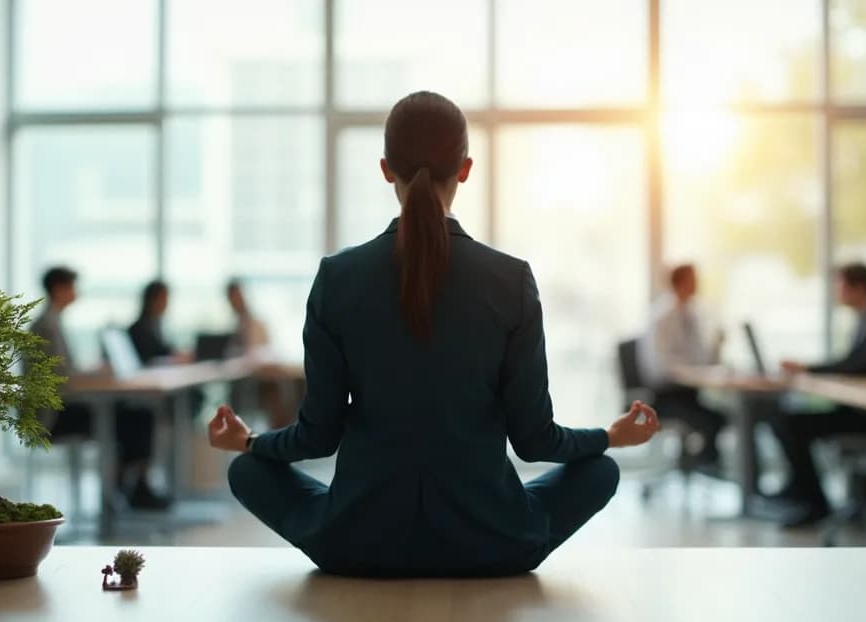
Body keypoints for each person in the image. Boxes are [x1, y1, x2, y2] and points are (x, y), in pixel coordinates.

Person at [206, 91, 660, 577]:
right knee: (602, 469)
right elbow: (535, 442)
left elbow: (317, 437)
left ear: (385, 169)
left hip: (357, 544)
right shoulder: (511, 280)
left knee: (247, 472)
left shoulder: (337, 279)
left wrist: (252, 443)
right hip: (492, 545)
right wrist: (608, 437)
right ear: (465, 169)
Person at [770, 262, 866, 527]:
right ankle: (801, 491)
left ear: (859, 287)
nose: (836, 292)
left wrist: (810, 369)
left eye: (840, 286)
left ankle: (814, 503)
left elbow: (863, 366)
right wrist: (810, 369)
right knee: (785, 418)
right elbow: (852, 362)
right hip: (858, 409)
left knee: (791, 424)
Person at [31, 267, 170, 510]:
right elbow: (60, 378)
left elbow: (63, 371)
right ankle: (123, 490)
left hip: (64, 404)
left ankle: (128, 488)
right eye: (72, 287)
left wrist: (90, 372)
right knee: (133, 418)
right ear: (59, 289)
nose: (76, 293)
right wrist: (93, 374)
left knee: (137, 415)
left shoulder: (52, 322)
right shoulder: (45, 326)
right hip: (52, 415)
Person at [638, 264, 728, 473]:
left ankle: (698, 463)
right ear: (679, 282)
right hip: (663, 396)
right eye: (692, 279)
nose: (697, 284)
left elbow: (699, 357)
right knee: (711, 421)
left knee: (720, 418)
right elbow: (658, 365)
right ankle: (701, 465)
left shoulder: (691, 314)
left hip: (688, 393)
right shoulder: (662, 316)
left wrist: (716, 347)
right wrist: (689, 371)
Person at [127, 280, 190, 366]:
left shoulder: (156, 325)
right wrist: (173, 358)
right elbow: (148, 358)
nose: (166, 303)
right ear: (150, 300)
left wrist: (177, 353)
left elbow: (162, 349)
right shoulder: (137, 329)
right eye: (163, 299)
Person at [225, 279, 270, 356]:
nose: (235, 301)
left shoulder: (256, 325)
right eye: (232, 298)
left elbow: (258, 355)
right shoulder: (236, 325)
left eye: (238, 296)